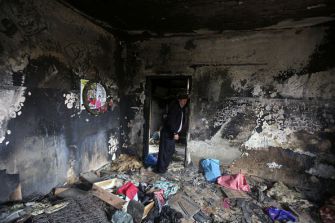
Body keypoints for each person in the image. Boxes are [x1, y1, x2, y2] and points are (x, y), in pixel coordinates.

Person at [156, 94, 189, 174]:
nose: (184, 102)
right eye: (183, 100)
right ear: (179, 100)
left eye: (186, 101)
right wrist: (175, 132)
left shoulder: (181, 109)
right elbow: (171, 121)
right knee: (165, 152)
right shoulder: (175, 108)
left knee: (169, 151)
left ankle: (164, 168)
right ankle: (160, 170)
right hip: (168, 133)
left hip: (171, 133)